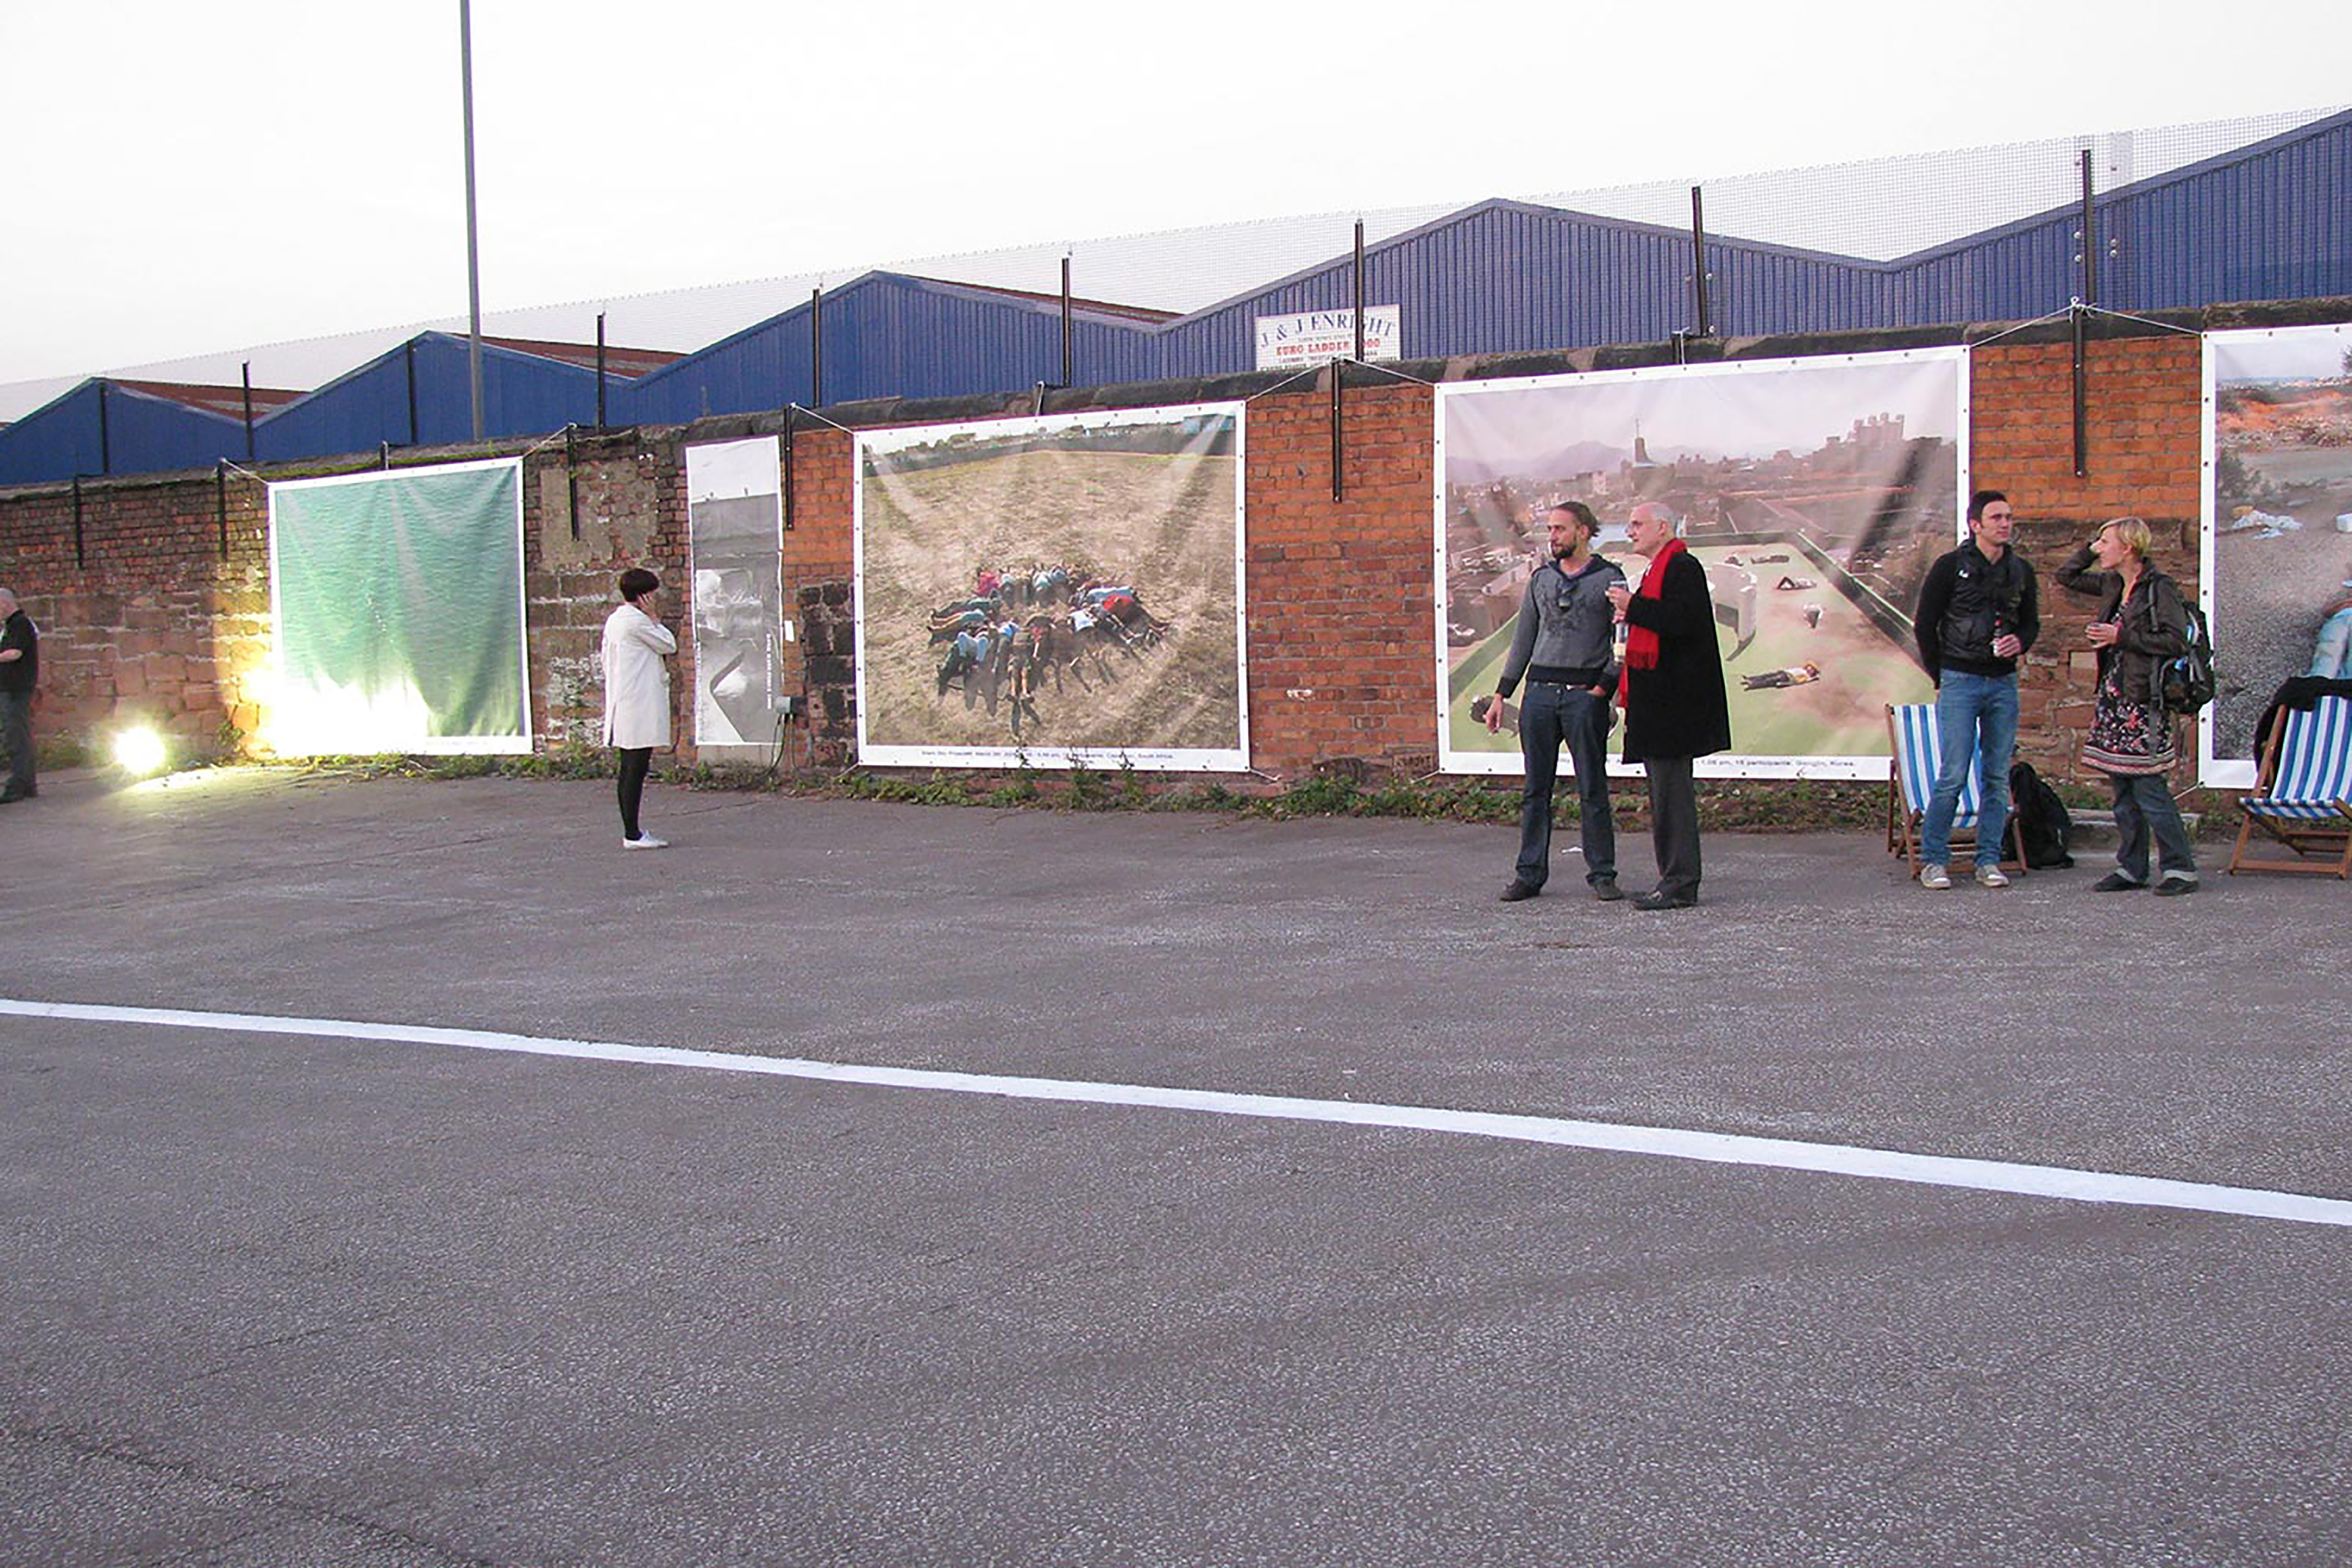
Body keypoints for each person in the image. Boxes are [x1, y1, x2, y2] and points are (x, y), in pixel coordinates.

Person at [1490, 502, 1626, 902]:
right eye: (1550, 529)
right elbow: (1524, 639)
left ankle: (1602, 872)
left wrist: (1603, 687)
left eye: (1561, 529)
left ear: (1583, 531)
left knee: (1592, 787)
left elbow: (1622, 639)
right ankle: (1529, 874)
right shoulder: (1541, 580)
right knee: (1536, 789)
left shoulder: (1609, 578)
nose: (1553, 537)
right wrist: (1503, 693)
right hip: (1540, 696)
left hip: (1584, 697)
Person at [2056, 517, 2199, 895]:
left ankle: (2180, 868)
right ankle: (2132, 867)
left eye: (2106, 543)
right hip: (2114, 698)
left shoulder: (2159, 589)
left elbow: (2175, 641)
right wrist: (2090, 546)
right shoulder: (2112, 584)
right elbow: (2066, 576)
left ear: (2129, 548)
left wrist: (2121, 635)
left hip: (2142, 701)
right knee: (2121, 790)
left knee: (2149, 789)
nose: (2099, 549)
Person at [1911, 489, 2040, 890]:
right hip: (1960, 680)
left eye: (2009, 517)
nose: (2005, 523)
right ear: (1975, 524)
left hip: (2002, 682)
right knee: (1952, 773)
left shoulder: (2021, 570)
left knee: (1998, 775)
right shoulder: (1950, 567)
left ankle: (1989, 859)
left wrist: (2020, 642)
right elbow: (1925, 624)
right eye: (1997, 517)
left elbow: (2031, 622)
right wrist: (1942, 674)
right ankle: (1934, 859)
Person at [1605, 503, 1730, 910]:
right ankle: (1672, 879)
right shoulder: (1659, 569)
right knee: (1664, 797)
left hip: (1675, 708)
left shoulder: (1682, 566)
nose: (1630, 531)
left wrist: (1633, 606)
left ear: (1663, 527)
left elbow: (1682, 621)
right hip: (1659, 708)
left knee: (1673, 797)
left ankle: (1679, 883)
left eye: (1638, 524)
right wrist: (1631, 610)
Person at [601, 568, 678, 850]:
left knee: (630, 766)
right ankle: (632, 833)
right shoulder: (637, 622)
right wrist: (655, 618)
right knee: (635, 767)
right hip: (637, 702)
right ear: (644, 595)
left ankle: (632, 831)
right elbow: (668, 644)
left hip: (627, 700)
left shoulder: (616, 620)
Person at [0, 587, 36, 803]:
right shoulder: (9, 626)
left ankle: (19, 784)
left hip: (16, 689)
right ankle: (26, 784)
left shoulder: (20, 624)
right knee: (16, 734)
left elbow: (14, 653)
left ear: (4, 603)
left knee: (16, 736)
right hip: (10, 688)